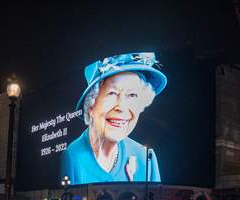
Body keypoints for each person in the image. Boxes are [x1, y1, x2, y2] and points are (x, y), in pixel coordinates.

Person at [61, 52, 166, 185]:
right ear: (90, 105)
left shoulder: (145, 158)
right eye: (112, 93)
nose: (121, 107)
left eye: (132, 95)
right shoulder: (72, 157)